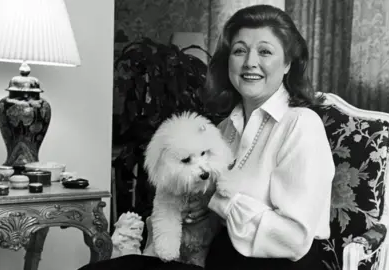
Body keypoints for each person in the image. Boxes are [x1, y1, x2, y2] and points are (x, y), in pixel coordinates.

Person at [78, 4, 334, 270]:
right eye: (239, 51)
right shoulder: (223, 129)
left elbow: (292, 239)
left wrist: (219, 202)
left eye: (265, 51)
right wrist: (193, 209)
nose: (250, 62)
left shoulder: (301, 125)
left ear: (287, 65)